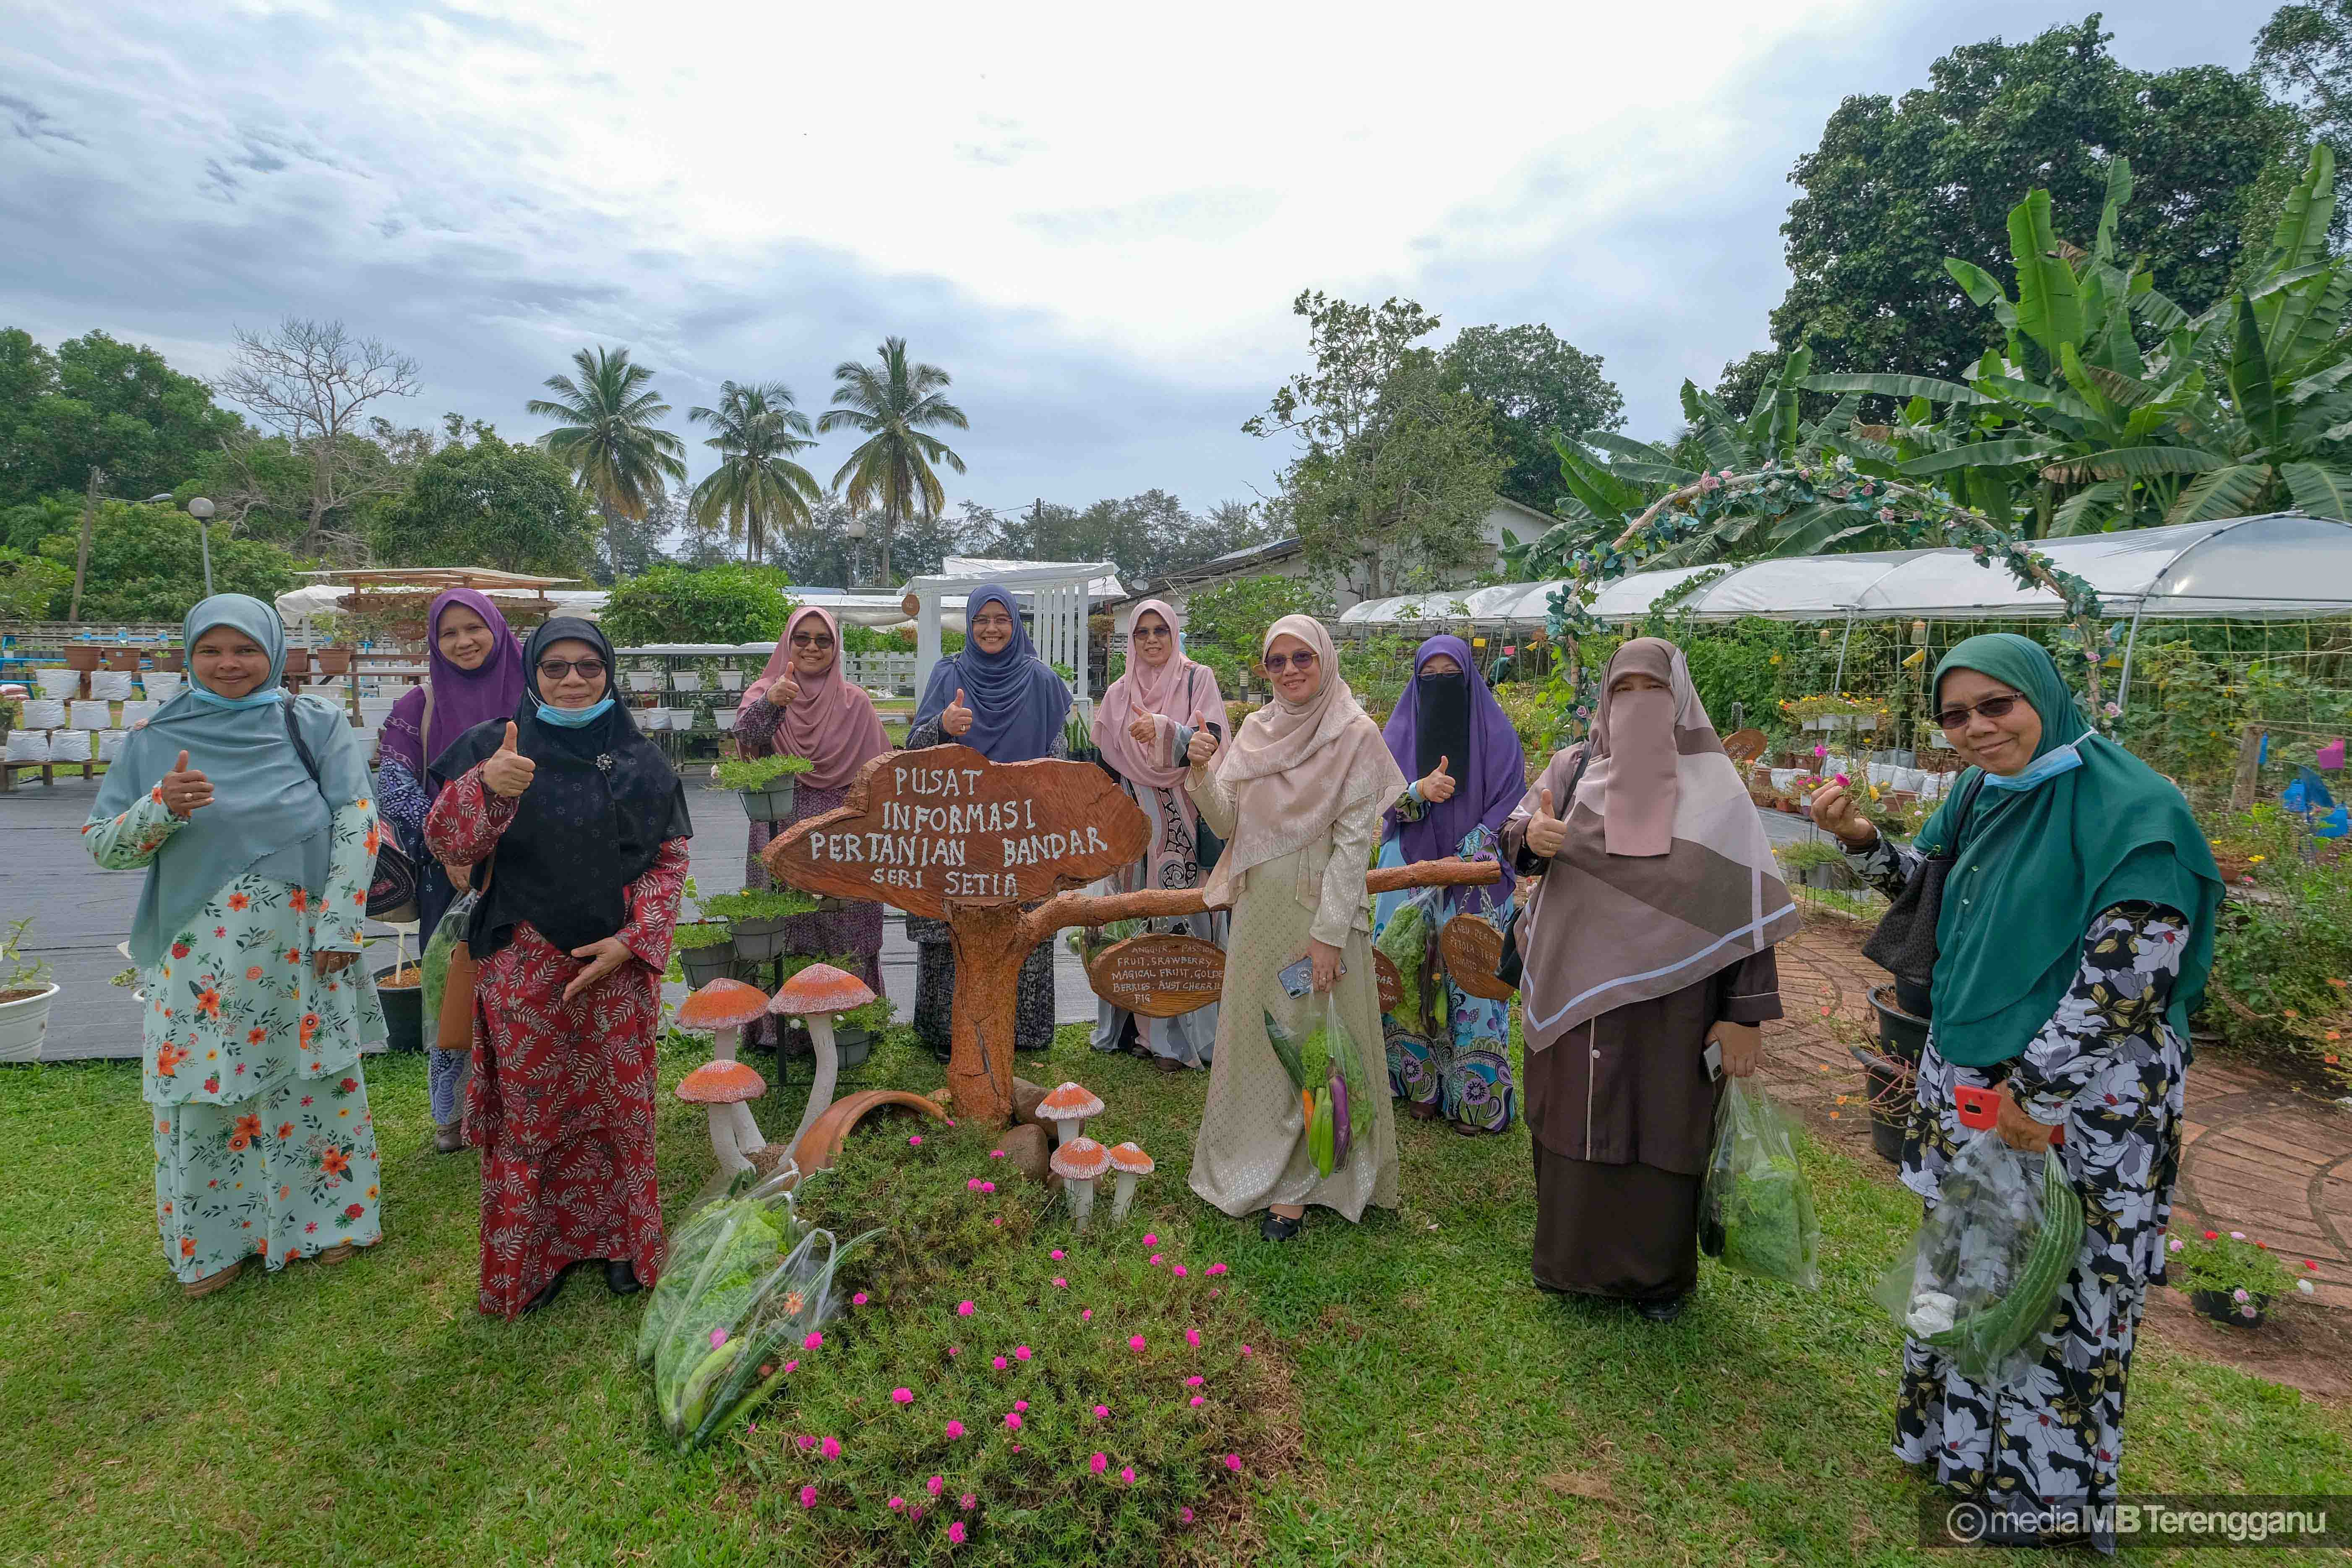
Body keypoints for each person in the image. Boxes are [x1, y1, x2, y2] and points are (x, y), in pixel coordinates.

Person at [1810, 633, 2221, 1544]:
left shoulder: (2134, 809)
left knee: (2060, 1282)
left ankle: (2041, 1495)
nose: (1975, 728)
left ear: (2044, 694)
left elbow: (2126, 979)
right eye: (1954, 715)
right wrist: (1860, 839)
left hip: (2083, 1101)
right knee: (1974, 1268)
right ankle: (1959, 1455)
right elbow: (1929, 899)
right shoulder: (1980, 793)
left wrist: (2034, 1101)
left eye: (1996, 705)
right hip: (1974, 1070)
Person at [86, 594, 386, 1297]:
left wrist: (341, 921)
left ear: (273, 652)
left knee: (313, 1081)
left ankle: (330, 1220)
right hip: (199, 955)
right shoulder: (156, 737)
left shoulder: (311, 722)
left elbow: (357, 815)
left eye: (246, 648)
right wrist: (161, 806)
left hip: (302, 941)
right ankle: (216, 1238)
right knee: (205, 1083)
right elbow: (105, 846)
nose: (229, 664)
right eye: (211, 650)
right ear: (189, 655)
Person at [1501, 638, 1794, 1322]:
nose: (1637, 703)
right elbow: (1516, 829)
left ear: (1680, 698)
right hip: (1574, 984)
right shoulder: (1572, 768)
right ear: (1605, 698)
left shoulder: (1714, 789)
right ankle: (1568, 1264)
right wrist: (1531, 838)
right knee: (1573, 1113)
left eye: (1653, 690)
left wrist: (1743, 1013)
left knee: (1664, 1121)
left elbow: (1744, 907)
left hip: (1674, 999)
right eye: (1623, 689)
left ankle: (1656, 1277)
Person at [425, 617, 693, 1319]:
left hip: (617, 969)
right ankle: (534, 1256)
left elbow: (669, 861)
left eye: (588, 666)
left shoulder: (642, 760)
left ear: (609, 673)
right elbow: (448, 844)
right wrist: (489, 786)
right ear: (533, 673)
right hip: (524, 960)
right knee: (532, 1113)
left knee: (620, 1107)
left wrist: (633, 940)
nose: (573, 680)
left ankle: (622, 1243)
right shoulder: (493, 747)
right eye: (556, 667)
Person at [1185, 615, 1406, 1241]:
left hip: (1318, 913)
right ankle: (1253, 1161)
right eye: (1276, 661)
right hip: (1259, 912)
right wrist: (1200, 773)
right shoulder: (1257, 731)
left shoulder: (1355, 735)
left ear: (1325, 659)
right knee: (1261, 1040)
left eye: (1301, 657)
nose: (1289, 671)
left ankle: (1310, 1181)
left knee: (1318, 1041)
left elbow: (1352, 848)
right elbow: (1228, 824)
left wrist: (1328, 938)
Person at [373, 588, 526, 1154]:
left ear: (497, 629)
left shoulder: (535, 691)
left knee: (526, 986)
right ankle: (453, 1115)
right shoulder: (419, 705)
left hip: (529, 866)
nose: (463, 641)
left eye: (474, 628)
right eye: (449, 633)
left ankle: (525, 1106)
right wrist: (450, 847)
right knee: (453, 984)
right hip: (452, 875)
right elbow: (394, 788)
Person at [905, 584, 1072, 1057]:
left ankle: (1025, 1029)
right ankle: (946, 1032)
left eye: (1001, 619)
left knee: (1025, 925)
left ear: (1015, 625)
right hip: (955, 829)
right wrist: (943, 727)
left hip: (1021, 831)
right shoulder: (948, 674)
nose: (991, 629)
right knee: (951, 928)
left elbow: (1059, 757)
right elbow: (913, 751)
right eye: (982, 619)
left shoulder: (1041, 680)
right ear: (970, 624)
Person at [1373, 634, 1523, 1132]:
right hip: (1407, 867)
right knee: (1406, 971)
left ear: (1470, 679)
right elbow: (1378, 798)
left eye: (1451, 676)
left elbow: (1511, 803)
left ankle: (1476, 1097)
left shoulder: (1497, 735)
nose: (1440, 684)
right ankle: (1417, 1083)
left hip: (1474, 871)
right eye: (1429, 677)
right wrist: (1417, 791)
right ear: (1416, 683)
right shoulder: (1397, 734)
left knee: (1471, 974)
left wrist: (1469, 852)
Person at [731, 606, 894, 1045]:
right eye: (801, 638)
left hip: (843, 836)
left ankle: (850, 1030)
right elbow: (745, 741)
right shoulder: (765, 692)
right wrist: (772, 704)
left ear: (836, 648)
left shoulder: (854, 702)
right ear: (788, 643)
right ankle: (782, 1035)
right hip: (780, 829)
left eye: (823, 640)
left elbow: (882, 773)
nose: (811, 647)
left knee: (846, 927)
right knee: (786, 926)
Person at [1089, 598, 1228, 1071]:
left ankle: (1180, 1034)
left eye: (1160, 631)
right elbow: (1106, 765)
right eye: (1141, 633)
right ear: (1131, 640)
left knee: (1181, 918)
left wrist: (1166, 730)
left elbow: (1213, 742)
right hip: (1134, 826)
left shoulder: (1197, 679)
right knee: (1134, 918)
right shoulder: (1118, 693)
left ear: (1174, 634)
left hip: (1187, 819)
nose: (1151, 640)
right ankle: (1138, 1029)